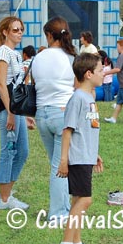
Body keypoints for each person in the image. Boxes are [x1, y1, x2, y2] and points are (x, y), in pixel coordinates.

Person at [55, 53, 104, 244]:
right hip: (77, 158)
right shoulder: (77, 98)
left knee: (78, 200)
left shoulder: (88, 97)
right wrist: (64, 160)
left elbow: (88, 128)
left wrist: (95, 153)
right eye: (101, 70)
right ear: (88, 74)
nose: (104, 74)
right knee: (85, 200)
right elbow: (68, 130)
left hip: (86, 156)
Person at [32, 17, 77, 221]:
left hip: (42, 113)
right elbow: (78, 87)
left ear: (49, 35)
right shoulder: (70, 57)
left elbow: (33, 83)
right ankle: (59, 213)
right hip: (63, 114)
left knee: (56, 163)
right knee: (60, 166)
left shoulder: (38, 57)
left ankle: (64, 207)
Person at [0, 16, 29, 210]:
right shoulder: (3, 53)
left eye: (21, 29)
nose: (19, 33)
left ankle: (5, 193)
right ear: (5, 32)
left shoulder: (15, 53)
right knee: (9, 151)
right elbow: (2, 85)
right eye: (15, 30)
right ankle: (4, 199)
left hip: (17, 109)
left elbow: (18, 86)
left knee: (22, 151)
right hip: (7, 110)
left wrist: (24, 112)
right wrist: (11, 113)